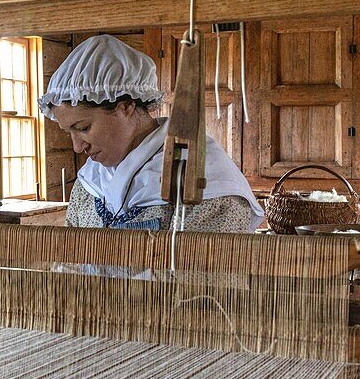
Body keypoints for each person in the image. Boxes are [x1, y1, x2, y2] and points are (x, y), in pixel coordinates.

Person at [39, 34, 263, 233]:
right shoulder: (90, 182)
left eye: (83, 128)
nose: (78, 147)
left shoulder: (205, 179)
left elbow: (202, 274)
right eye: (69, 132)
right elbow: (72, 262)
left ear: (126, 106)